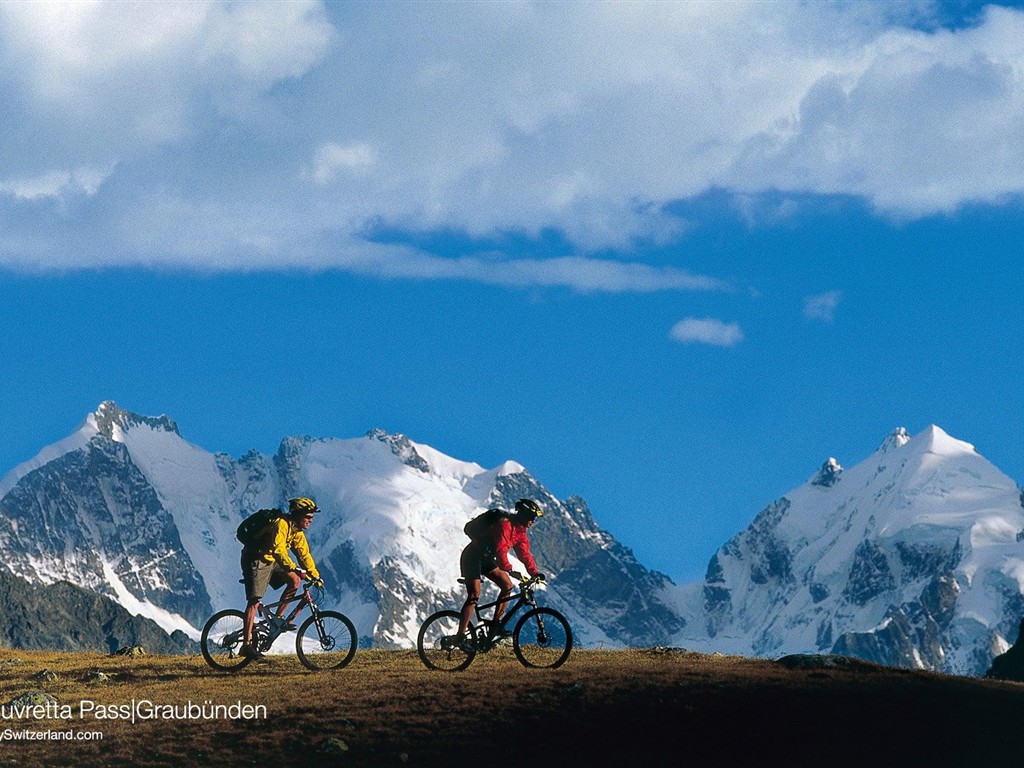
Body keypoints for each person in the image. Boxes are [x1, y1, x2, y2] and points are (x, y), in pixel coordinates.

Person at [240, 496, 324, 658]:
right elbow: (278, 551)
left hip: (272, 560)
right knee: (254, 601)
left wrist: (315, 575)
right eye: (308, 517)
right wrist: (294, 568)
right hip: (256, 559)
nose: (310, 521)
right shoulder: (281, 524)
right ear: (298, 515)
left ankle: (277, 621)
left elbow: (304, 555)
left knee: (295, 581)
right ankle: (246, 645)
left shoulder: (296, 532)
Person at [457, 498, 546, 647]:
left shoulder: (520, 533)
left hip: (485, 558)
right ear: (523, 515)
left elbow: (525, 554)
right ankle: (459, 637)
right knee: (474, 595)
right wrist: (509, 569)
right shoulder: (505, 525)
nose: (533, 521)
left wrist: (534, 573)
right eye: (531, 517)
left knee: (507, 586)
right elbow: (501, 551)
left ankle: (496, 626)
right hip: (472, 556)